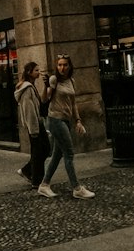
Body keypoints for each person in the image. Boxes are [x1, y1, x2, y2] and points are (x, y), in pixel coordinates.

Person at [38, 54, 94, 199]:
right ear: (57, 67)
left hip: (66, 120)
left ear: (70, 66)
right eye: (59, 65)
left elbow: (73, 103)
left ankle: (44, 185)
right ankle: (76, 188)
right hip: (55, 120)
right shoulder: (54, 79)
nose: (62, 68)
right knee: (69, 153)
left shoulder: (71, 81)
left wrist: (78, 120)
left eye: (65, 65)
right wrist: (45, 87)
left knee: (57, 155)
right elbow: (45, 99)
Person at [15, 60, 49, 188]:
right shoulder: (27, 88)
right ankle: (36, 180)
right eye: (36, 70)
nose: (38, 72)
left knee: (43, 150)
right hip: (34, 125)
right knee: (40, 151)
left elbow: (41, 103)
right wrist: (34, 129)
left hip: (37, 123)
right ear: (29, 72)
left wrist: (46, 86)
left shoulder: (31, 86)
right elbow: (29, 110)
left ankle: (27, 171)